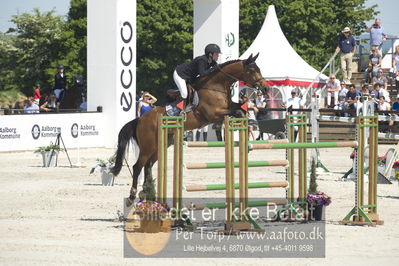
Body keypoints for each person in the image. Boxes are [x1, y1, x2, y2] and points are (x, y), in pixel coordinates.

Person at [173, 43, 221, 109]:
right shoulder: (202, 60)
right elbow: (202, 73)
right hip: (180, 74)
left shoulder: (211, 61)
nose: (218, 56)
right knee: (184, 94)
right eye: (216, 54)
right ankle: (177, 110)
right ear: (210, 54)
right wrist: (213, 69)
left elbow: (217, 68)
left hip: (190, 77)